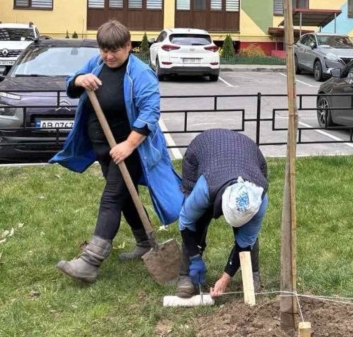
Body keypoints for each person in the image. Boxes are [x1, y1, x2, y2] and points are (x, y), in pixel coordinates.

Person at [49, 20, 183, 283]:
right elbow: (70, 85)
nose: (109, 56)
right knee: (123, 196)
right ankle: (145, 242)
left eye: (115, 51)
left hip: (130, 147)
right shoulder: (96, 65)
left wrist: (128, 145)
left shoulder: (141, 73)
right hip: (102, 146)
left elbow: (150, 113)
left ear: (128, 47)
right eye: (104, 50)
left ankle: (90, 261)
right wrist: (79, 79)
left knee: (111, 197)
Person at [177, 128, 267, 298]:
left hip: (249, 154)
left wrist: (226, 277)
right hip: (201, 151)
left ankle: (252, 273)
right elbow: (185, 222)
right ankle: (186, 274)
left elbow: (246, 240)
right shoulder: (204, 189)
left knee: (249, 234)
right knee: (197, 221)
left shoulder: (259, 199)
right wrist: (195, 258)